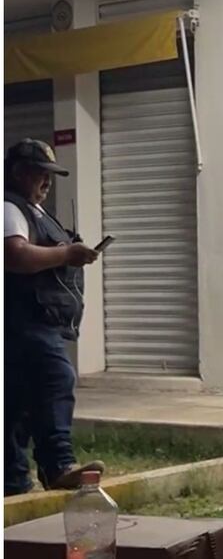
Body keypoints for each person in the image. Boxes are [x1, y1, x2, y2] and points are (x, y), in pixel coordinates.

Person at [4, 139, 105, 496]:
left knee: (15, 403)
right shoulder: (9, 208)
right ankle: (59, 465)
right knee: (56, 377)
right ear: (18, 173)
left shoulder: (34, 211)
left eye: (51, 176)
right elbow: (13, 256)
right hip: (22, 319)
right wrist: (65, 254)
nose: (47, 183)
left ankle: (11, 483)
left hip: (37, 320)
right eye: (40, 174)